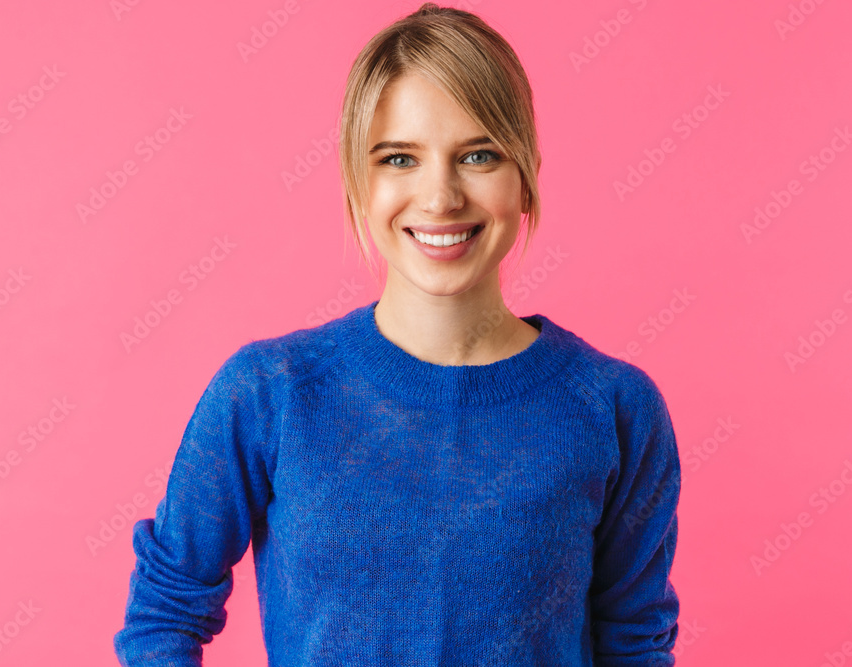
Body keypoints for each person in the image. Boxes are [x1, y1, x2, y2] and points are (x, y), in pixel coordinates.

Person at [114, 3, 681, 665]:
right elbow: (164, 610)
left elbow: (635, 642)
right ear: (359, 184)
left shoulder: (616, 408)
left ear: (524, 178)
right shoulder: (268, 392)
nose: (440, 196)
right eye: (399, 159)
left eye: (478, 154)